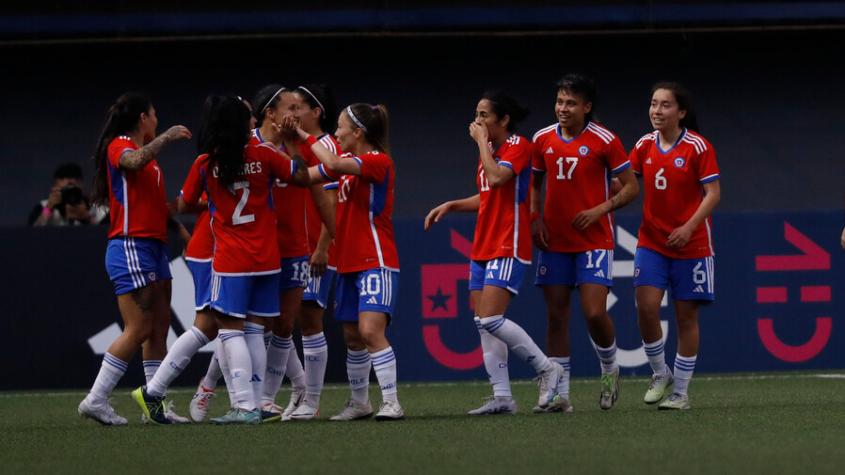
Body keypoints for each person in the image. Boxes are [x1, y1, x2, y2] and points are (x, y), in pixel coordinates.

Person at [134, 94, 308, 425]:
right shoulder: (266, 155)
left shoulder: (207, 163)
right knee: (252, 330)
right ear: (240, 125)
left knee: (228, 331)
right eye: (249, 117)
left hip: (231, 258)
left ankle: (242, 405)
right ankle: (251, 404)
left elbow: (183, 203)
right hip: (267, 258)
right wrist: (293, 144)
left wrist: (212, 199)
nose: (254, 121)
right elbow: (299, 174)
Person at [425, 91, 566, 415]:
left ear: (503, 120)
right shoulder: (490, 150)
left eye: (485, 115)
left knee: (491, 317)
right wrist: (452, 205)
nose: (478, 121)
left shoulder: (518, 146)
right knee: (481, 321)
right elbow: (487, 195)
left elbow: (498, 177)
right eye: (477, 114)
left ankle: (548, 369)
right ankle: (502, 396)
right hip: (483, 245)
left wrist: (479, 143)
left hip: (509, 242)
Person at [77, 92, 191, 425]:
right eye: (155, 115)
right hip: (131, 246)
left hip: (154, 247)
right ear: (143, 118)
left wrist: (182, 235)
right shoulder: (120, 145)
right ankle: (96, 399)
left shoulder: (151, 162)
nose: (157, 121)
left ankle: (155, 405)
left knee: (158, 328)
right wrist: (168, 136)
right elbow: (132, 161)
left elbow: (155, 207)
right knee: (139, 327)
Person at [530, 74, 639, 411]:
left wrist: (600, 209)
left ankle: (609, 369)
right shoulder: (542, 138)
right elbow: (534, 183)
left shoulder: (605, 140)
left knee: (593, 312)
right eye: (560, 101)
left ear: (586, 107)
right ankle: (558, 394)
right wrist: (535, 219)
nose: (563, 108)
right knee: (556, 316)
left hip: (594, 240)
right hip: (555, 241)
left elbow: (632, 186)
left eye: (571, 103)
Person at [289, 102, 404, 421]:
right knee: (352, 336)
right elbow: (302, 177)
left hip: (375, 259)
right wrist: (285, 146)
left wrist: (304, 135)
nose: (336, 132)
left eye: (339, 127)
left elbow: (333, 163)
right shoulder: (347, 164)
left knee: (370, 331)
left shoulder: (377, 161)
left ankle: (392, 402)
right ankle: (360, 402)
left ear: (358, 132)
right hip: (350, 262)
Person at [629, 82, 720, 410]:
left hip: (691, 244)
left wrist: (689, 227)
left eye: (665, 105)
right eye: (653, 104)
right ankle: (659, 372)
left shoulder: (697, 147)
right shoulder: (643, 145)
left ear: (680, 112)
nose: (657, 111)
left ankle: (680, 393)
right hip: (652, 241)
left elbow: (713, 194)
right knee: (646, 306)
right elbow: (625, 182)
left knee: (685, 317)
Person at [281, 84, 341, 421]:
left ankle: (312, 400)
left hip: (317, 249)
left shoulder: (326, 145)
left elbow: (329, 201)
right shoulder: (291, 143)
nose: (292, 112)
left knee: (309, 319)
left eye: (298, 106)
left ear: (316, 112)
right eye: (288, 106)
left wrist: (322, 247)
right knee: (282, 320)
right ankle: (300, 390)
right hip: (292, 248)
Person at [28, 162, 106, 226]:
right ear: (55, 185)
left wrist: (87, 218)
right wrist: (49, 208)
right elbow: (32, 234)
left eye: (75, 178)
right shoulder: (43, 206)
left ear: (82, 185)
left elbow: (108, 238)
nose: (71, 181)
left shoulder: (98, 210)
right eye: (63, 178)